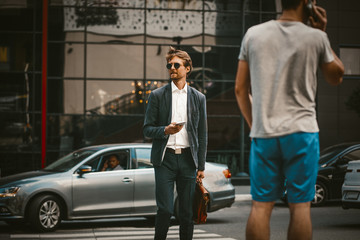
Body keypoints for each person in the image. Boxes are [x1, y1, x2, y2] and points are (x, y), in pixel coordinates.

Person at [234, 0, 344, 240]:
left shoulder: (254, 34)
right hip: (302, 133)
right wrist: (322, 33)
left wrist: (256, 126)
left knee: (261, 206)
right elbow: (337, 76)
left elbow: (240, 89)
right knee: (301, 206)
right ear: (307, 3)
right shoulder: (316, 37)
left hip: (265, 134)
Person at [143, 46, 207, 240]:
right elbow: (146, 129)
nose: (172, 68)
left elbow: (202, 134)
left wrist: (201, 166)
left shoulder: (198, 98)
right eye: (169, 65)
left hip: (188, 160)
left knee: (186, 214)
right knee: (165, 209)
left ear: (187, 68)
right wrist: (165, 130)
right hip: (165, 160)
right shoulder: (157, 96)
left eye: (176, 65)